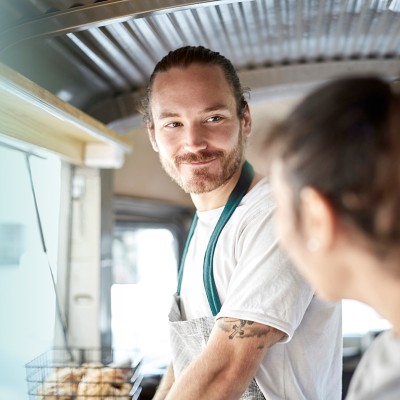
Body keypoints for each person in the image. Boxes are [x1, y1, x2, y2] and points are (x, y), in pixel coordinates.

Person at [139, 45, 342, 400]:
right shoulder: (205, 224)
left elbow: (224, 369)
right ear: (154, 135)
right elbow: (189, 360)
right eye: (173, 123)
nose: (193, 142)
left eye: (213, 118)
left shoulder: (277, 215)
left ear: (244, 120)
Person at [262, 75, 400, 400]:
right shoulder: (387, 355)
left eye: (279, 208)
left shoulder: (387, 378)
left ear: (317, 218)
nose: (281, 235)